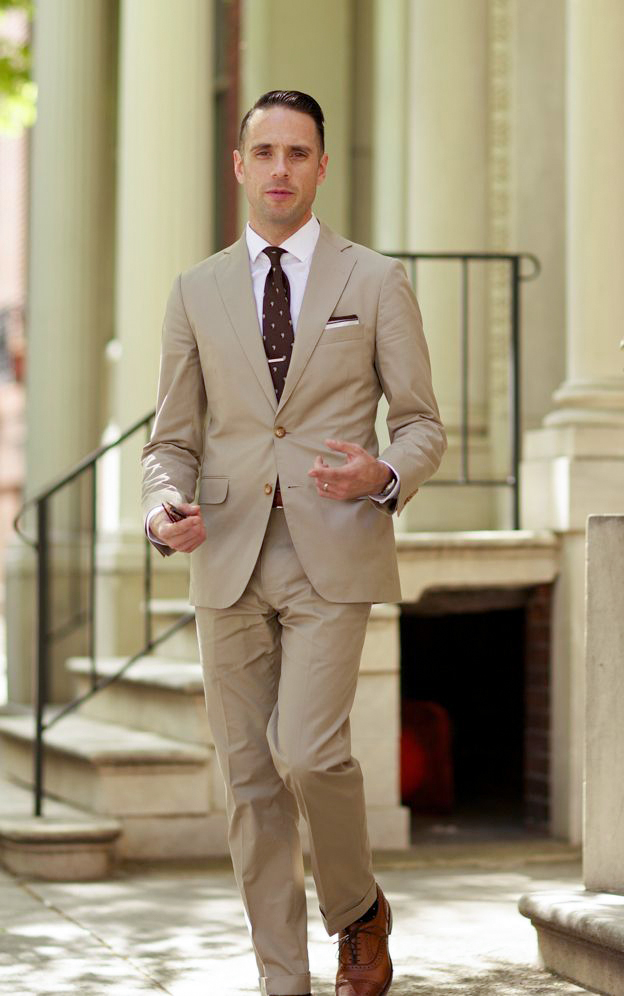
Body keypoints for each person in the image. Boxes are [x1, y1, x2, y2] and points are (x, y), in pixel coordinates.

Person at [141, 90, 446, 996]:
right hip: (224, 549)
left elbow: (424, 425)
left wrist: (381, 476)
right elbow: (170, 439)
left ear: (320, 165)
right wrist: (164, 506)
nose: (280, 169)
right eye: (264, 152)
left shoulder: (376, 280)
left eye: (298, 153)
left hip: (334, 547)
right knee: (248, 782)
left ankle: (356, 911)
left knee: (311, 752)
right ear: (240, 166)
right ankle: (284, 982)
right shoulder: (195, 290)